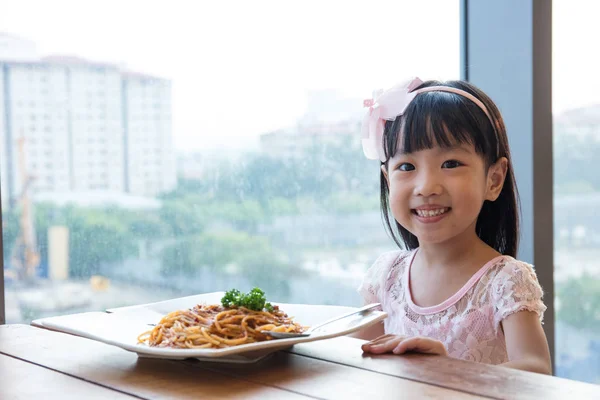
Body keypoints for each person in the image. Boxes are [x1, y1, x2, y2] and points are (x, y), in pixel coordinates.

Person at [355, 77, 552, 375]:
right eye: (406, 167)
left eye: (450, 164)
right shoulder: (385, 276)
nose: (426, 186)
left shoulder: (506, 281)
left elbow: (537, 369)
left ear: (494, 179)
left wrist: (449, 369)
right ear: (387, 180)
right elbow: (351, 359)